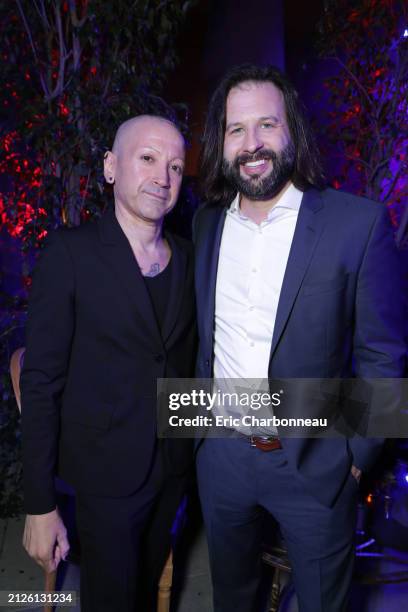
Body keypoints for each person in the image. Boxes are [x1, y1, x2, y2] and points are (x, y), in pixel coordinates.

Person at [193, 64, 406, 612]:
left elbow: (383, 356)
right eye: (236, 129)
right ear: (220, 142)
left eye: (267, 124)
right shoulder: (205, 224)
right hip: (222, 458)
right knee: (232, 599)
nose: (252, 144)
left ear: (293, 131)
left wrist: (356, 456)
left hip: (316, 462)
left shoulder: (357, 225)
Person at [21, 114, 196, 612]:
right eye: (148, 159)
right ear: (111, 167)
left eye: (177, 166)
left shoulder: (189, 257)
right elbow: (40, 382)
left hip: (172, 470)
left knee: (140, 594)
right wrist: (39, 503)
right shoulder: (69, 254)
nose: (163, 177)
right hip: (104, 480)